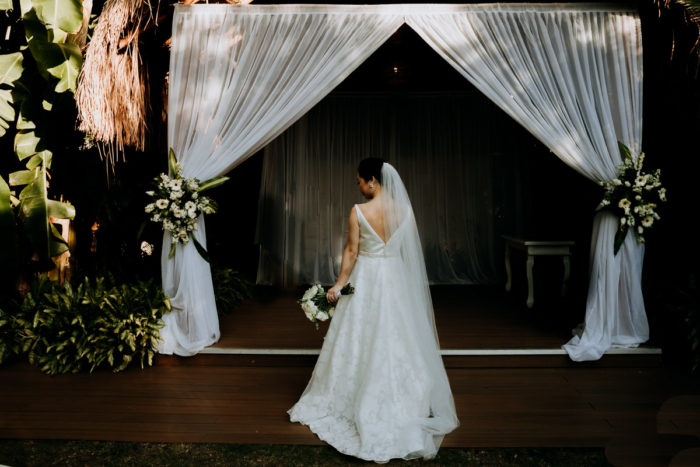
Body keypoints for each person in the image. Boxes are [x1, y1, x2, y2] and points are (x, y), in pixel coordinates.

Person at [288, 158, 459, 463]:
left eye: (359, 181)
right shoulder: (405, 210)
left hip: (366, 277)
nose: (358, 187)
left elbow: (352, 251)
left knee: (360, 336)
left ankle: (350, 397)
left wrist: (339, 285)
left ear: (372, 181)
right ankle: (404, 399)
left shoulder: (359, 211)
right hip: (395, 278)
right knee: (398, 337)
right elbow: (408, 250)